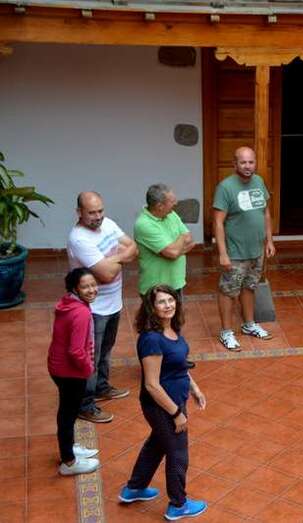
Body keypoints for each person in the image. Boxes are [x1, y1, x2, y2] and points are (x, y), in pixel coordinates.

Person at [119, 284, 208, 521]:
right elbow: (151, 384)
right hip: (162, 406)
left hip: (175, 400)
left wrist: (194, 388)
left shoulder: (172, 330)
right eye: (161, 302)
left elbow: (179, 366)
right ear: (151, 307)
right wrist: (176, 413)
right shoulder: (151, 339)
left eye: (170, 300)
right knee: (178, 453)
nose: (168, 305)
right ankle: (178, 505)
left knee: (157, 444)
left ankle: (135, 488)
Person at [67, 191, 137, 424]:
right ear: (79, 213)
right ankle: (85, 404)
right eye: (91, 212)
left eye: (100, 211)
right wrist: (120, 257)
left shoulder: (108, 224)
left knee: (105, 350)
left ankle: (101, 387)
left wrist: (114, 259)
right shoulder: (79, 238)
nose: (98, 217)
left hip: (113, 303)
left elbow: (133, 248)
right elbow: (105, 275)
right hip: (93, 309)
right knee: (90, 358)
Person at [213, 146, 276, 351]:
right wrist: (223, 253)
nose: (248, 166)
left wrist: (269, 240)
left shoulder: (258, 181)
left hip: (256, 250)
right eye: (243, 162)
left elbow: (265, 213)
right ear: (235, 164)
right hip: (235, 252)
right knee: (228, 291)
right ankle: (226, 332)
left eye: (251, 162)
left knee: (250, 287)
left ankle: (249, 324)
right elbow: (218, 222)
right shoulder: (225, 187)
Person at [135, 183, 196, 369]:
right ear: (160, 205)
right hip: (154, 287)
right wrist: (177, 247)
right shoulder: (144, 224)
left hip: (175, 282)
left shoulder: (170, 214)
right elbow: (171, 252)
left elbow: (189, 238)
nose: (176, 203)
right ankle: (154, 365)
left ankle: (174, 359)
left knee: (174, 323)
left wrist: (177, 248)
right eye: (172, 201)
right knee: (154, 329)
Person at [48, 268, 101, 476]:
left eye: (93, 284)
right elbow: (76, 350)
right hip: (70, 372)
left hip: (57, 366)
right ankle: (68, 461)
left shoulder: (68, 303)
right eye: (85, 286)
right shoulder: (81, 313)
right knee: (68, 414)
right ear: (75, 289)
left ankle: (68, 447)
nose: (92, 290)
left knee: (67, 412)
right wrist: (89, 369)